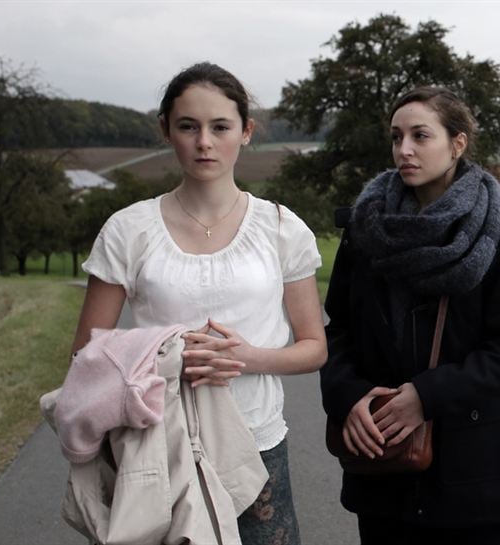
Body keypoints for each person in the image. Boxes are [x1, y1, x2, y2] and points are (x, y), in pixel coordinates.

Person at [72, 62, 325, 545]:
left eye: (220, 127)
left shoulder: (281, 228)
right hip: (158, 448)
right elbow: (86, 354)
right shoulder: (129, 229)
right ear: (167, 130)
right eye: (188, 126)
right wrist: (164, 357)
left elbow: (315, 346)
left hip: (257, 443)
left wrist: (246, 357)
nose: (204, 141)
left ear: (246, 132)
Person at [320, 86, 500, 545]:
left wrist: (426, 395)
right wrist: (349, 397)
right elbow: (338, 329)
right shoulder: (365, 226)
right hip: (380, 457)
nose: (404, 150)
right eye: (397, 137)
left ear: (457, 143)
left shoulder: (495, 227)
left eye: (421, 136)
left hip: (466, 468)